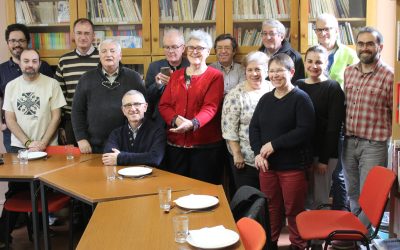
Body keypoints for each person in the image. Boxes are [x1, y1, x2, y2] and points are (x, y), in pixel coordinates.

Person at [0, 48, 66, 246]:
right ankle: (4, 237)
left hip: (48, 148)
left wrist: (42, 143)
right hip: (19, 149)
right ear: (19, 63)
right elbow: (9, 119)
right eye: (26, 61)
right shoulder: (11, 86)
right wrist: (29, 144)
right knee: (16, 190)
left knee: (43, 190)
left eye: (34, 61)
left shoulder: (52, 84)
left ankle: (41, 232)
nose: (30, 65)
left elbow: (57, 116)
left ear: (39, 63)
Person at [249, 53, 315, 250]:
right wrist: (258, 153)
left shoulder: (301, 99)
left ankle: (298, 245)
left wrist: (274, 145)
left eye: (280, 70)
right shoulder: (265, 99)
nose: (275, 74)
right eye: (272, 71)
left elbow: (304, 130)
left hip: (292, 167)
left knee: (293, 210)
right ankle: (271, 243)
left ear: (292, 72)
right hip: (267, 167)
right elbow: (254, 128)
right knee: (270, 208)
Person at [159, 30, 225, 184]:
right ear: (186, 50)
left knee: (203, 194)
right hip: (175, 146)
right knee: (178, 190)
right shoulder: (176, 76)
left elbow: (211, 107)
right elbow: (164, 105)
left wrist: (192, 124)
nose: (195, 51)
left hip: (205, 148)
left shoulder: (215, 76)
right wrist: (176, 120)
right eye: (191, 48)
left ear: (208, 51)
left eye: (200, 48)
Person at [342, 27, 393, 220]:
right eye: (361, 43)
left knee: (369, 196)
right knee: (352, 193)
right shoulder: (349, 73)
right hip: (348, 142)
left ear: (380, 46)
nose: (365, 48)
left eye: (370, 43)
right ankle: (357, 237)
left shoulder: (390, 76)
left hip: (374, 145)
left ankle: (359, 234)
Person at [315, 13, 359, 210]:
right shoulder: (312, 53)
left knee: (338, 171)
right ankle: (317, 216)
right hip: (316, 122)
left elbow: (356, 87)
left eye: (328, 29)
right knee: (317, 171)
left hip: (340, 121)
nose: (324, 33)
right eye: (319, 29)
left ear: (336, 30)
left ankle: (341, 216)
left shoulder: (349, 55)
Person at [72, 39, 146, 154]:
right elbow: (77, 111)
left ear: (120, 55)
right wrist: (81, 138)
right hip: (94, 145)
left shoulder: (134, 78)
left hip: (128, 144)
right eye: (104, 51)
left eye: (112, 51)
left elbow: (145, 110)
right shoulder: (86, 79)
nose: (108, 55)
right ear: (99, 55)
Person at [295, 45, 345, 212]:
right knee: (304, 197)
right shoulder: (298, 85)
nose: (313, 66)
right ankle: (307, 235)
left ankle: (320, 236)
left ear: (326, 64)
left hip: (324, 153)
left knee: (320, 198)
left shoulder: (333, 87)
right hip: (302, 153)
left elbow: (334, 127)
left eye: (319, 62)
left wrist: (324, 159)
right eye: (309, 61)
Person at [221, 51, 273, 190]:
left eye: (258, 69)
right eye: (250, 70)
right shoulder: (235, 95)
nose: (254, 73)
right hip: (246, 160)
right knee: (250, 200)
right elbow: (229, 129)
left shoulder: (274, 89)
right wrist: (237, 154)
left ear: (267, 70)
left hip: (273, 159)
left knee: (271, 201)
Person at [0, 23, 53, 153]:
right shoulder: (1, 70)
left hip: (43, 133)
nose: (17, 44)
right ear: (7, 43)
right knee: (19, 170)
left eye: (21, 40)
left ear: (27, 42)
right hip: (12, 131)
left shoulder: (43, 67)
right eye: (13, 40)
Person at [55, 18, 100, 146]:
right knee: (74, 161)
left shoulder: (103, 58)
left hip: (99, 120)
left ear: (93, 36)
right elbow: (59, 96)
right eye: (79, 33)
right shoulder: (64, 61)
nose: (83, 37)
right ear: (73, 35)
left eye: (87, 33)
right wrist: (62, 126)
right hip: (72, 122)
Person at [103, 90, 166, 167]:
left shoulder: (158, 131)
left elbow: (155, 158)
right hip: (122, 176)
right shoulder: (116, 133)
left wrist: (119, 157)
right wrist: (143, 158)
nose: (132, 109)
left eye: (137, 104)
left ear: (145, 107)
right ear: (123, 110)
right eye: (128, 105)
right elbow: (108, 157)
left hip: (151, 177)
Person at [145, 28, 189, 126]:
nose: (170, 51)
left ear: (183, 48)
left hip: (185, 119)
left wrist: (174, 84)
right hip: (160, 122)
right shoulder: (154, 66)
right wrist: (158, 85)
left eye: (174, 47)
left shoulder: (191, 66)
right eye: (167, 47)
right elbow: (147, 98)